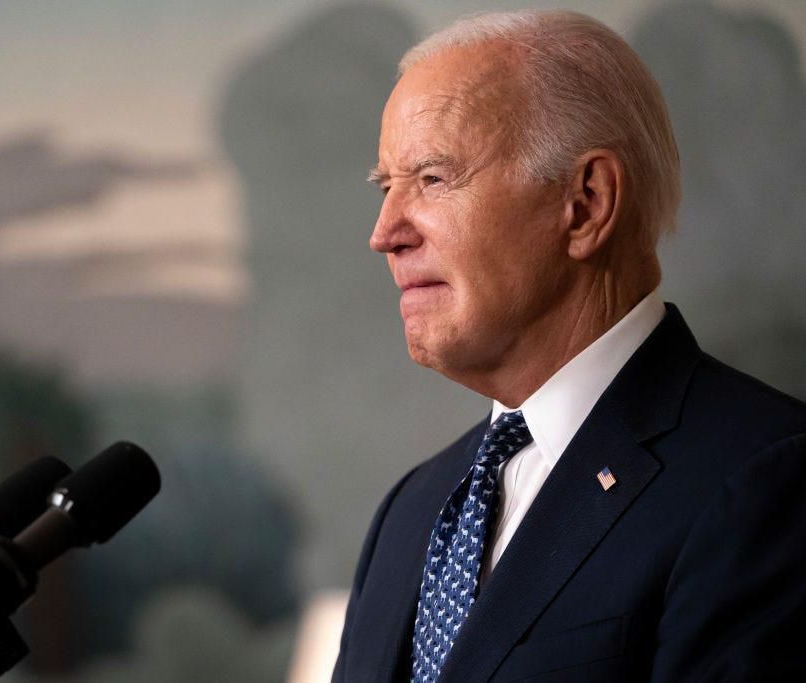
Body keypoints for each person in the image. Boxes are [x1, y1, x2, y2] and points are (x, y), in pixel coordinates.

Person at [332, 10, 806, 682]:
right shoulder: (410, 511)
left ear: (585, 203)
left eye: (433, 179)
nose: (385, 232)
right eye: (387, 186)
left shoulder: (765, 481)